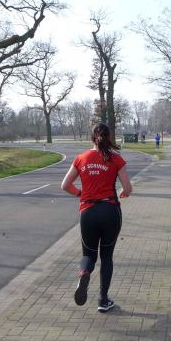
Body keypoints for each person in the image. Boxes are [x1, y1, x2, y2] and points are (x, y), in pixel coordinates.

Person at [61, 123, 132, 312]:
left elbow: (65, 185)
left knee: (88, 255)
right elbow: (128, 188)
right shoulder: (116, 159)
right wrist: (124, 192)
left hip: (88, 212)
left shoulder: (81, 158)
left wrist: (80, 194)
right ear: (109, 137)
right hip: (110, 211)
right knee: (106, 257)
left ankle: (85, 272)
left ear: (92, 138)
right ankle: (103, 300)